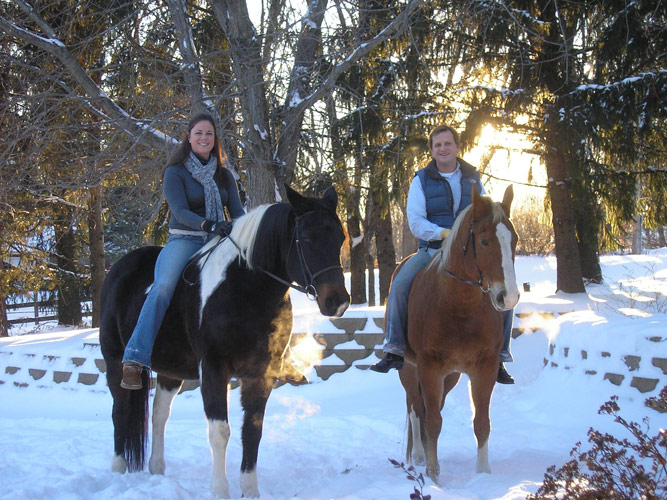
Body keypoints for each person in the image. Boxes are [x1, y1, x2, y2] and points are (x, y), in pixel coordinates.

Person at [370, 125, 515, 384]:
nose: (443, 149)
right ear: (432, 151)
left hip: (467, 254)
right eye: (437, 145)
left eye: (447, 144)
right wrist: (442, 233)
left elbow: (485, 212)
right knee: (400, 284)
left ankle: (500, 355)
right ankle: (393, 347)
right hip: (432, 250)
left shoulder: (472, 177)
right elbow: (415, 220)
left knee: (504, 287)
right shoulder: (421, 180)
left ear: (457, 147)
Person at [120, 113, 245, 390]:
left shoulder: (225, 175)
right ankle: (134, 359)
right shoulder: (175, 172)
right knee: (163, 287)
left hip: (219, 240)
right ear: (189, 137)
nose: (204, 138)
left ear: (215, 140)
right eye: (198, 133)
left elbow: (237, 213)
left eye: (209, 134)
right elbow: (179, 211)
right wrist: (208, 223)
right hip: (186, 239)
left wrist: (245, 230)